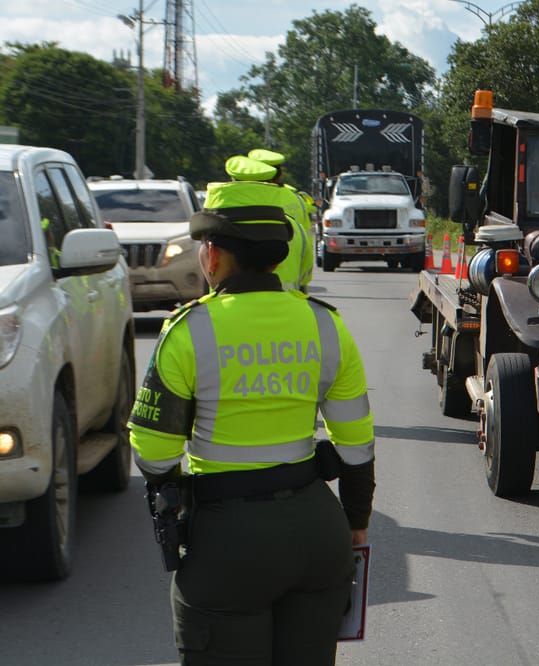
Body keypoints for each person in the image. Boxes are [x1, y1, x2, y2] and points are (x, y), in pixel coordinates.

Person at [128, 179, 375, 665]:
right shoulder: (326, 324)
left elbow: (153, 452)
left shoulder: (189, 330)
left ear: (214, 255)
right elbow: (356, 443)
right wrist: (357, 521)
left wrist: (177, 503)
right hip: (317, 536)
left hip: (227, 544)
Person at [222, 155, 309, 292]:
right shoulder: (295, 224)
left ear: (233, 184)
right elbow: (305, 275)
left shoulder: (217, 228)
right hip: (288, 306)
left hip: (225, 310)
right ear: (277, 176)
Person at [248, 148, 314, 287]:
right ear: (280, 174)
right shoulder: (298, 199)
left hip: (246, 292)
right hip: (291, 292)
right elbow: (306, 243)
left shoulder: (243, 200)